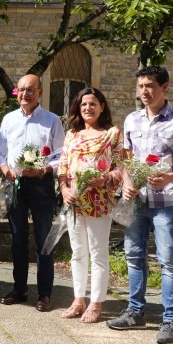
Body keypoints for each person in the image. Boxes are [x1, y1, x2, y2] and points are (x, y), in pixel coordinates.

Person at [107, 65, 173, 344]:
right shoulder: (132, 120)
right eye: (141, 86)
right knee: (134, 255)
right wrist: (127, 181)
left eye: (150, 86)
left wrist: (170, 176)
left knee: (167, 260)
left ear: (165, 87)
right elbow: (125, 159)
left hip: (168, 201)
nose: (144, 92)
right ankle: (135, 311)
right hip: (137, 201)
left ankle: (170, 319)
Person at [0, 74, 65, 312]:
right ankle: (20, 288)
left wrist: (45, 169)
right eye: (22, 90)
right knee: (18, 238)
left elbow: (61, 155)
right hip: (16, 184)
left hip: (41, 184)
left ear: (40, 93)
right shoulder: (9, 120)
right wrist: (4, 168)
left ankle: (44, 293)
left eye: (30, 90)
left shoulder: (51, 120)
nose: (25, 94)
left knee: (44, 239)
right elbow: (0, 152)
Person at [57, 88, 122, 322]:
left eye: (93, 104)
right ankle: (78, 300)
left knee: (98, 253)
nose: (88, 108)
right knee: (77, 253)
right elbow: (63, 167)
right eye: (84, 104)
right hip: (74, 202)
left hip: (99, 201)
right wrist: (64, 190)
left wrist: (104, 179)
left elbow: (120, 167)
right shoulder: (72, 135)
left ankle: (96, 303)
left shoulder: (113, 134)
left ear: (102, 106)